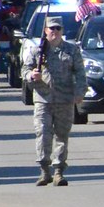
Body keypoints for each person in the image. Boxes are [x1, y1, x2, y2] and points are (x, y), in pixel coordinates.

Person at [22, 16, 86, 186]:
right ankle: (44, 170)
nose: (55, 32)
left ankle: (59, 171)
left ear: (62, 31)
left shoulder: (71, 50)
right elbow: (25, 69)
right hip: (43, 99)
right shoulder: (37, 51)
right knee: (42, 133)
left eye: (58, 29)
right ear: (46, 31)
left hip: (64, 99)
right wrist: (31, 75)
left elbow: (80, 73)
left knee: (62, 135)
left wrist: (80, 92)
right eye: (52, 29)